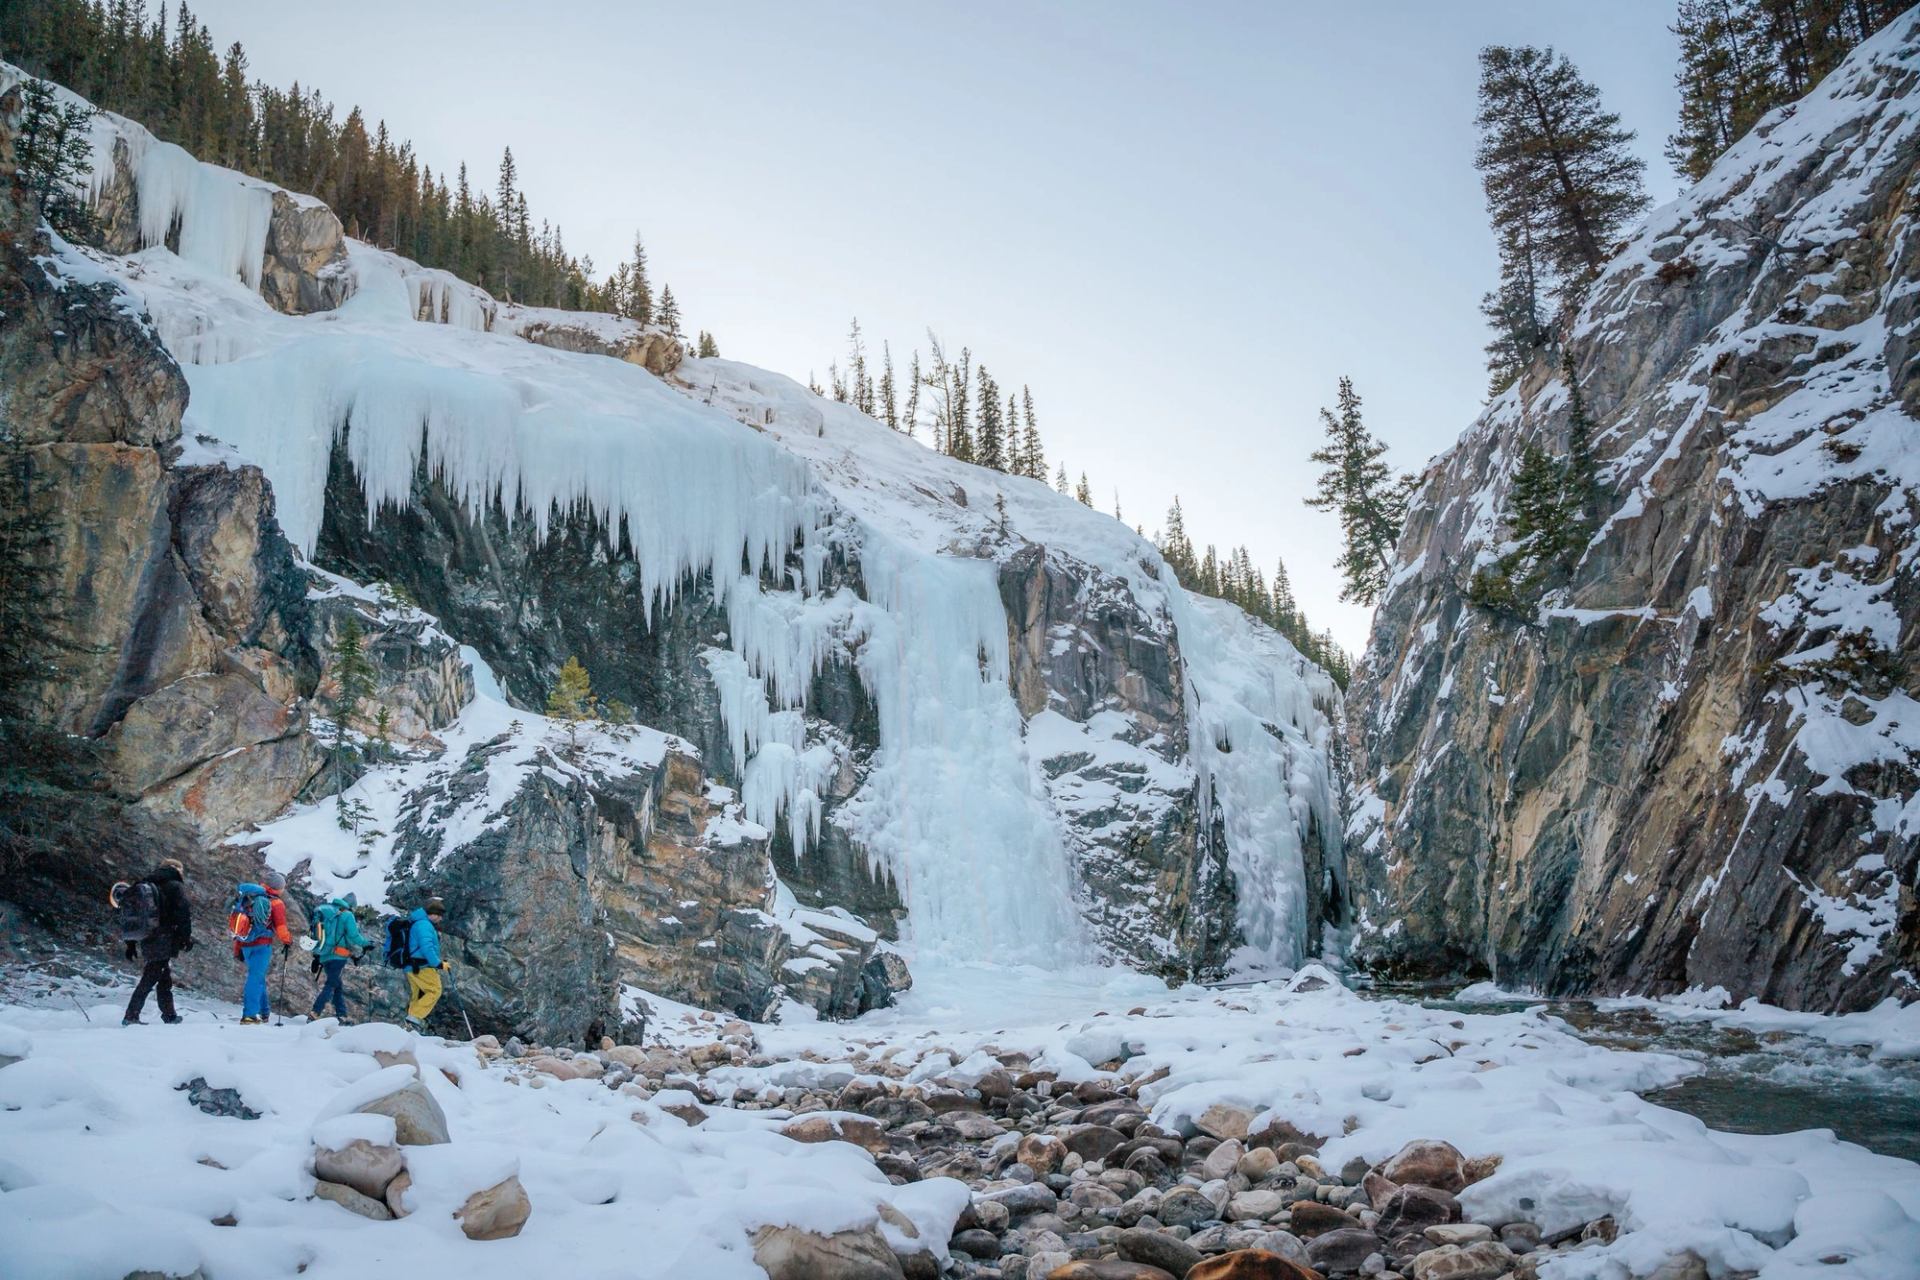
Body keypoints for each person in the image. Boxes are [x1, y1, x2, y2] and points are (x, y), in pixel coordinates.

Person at [121, 858, 192, 1025]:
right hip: (164, 936)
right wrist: (185, 937)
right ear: (175, 868)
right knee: (151, 975)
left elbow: (130, 915)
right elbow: (183, 913)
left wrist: (130, 944)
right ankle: (131, 1015)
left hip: (147, 935)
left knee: (163, 976)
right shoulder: (175, 886)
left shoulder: (144, 884)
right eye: (181, 869)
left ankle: (169, 1015)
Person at [231, 870, 292, 1025]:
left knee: (258, 976)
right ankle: (249, 1015)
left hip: (245, 943)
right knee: (255, 978)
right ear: (277, 887)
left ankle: (264, 1012)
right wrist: (287, 941)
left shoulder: (249, 896)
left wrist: (238, 946)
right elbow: (281, 927)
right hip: (261, 944)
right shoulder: (276, 902)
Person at [308, 894, 371, 1022]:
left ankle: (341, 1015)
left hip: (324, 955)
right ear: (350, 906)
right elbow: (353, 936)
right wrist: (366, 944)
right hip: (338, 956)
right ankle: (315, 1012)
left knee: (337, 984)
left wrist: (317, 956)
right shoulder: (347, 915)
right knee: (331, 984)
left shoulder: (328, 912)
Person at [404, 897, 449, 1031]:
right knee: (434, 990)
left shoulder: (417, 922)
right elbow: (427, 947)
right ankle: (414, 1018)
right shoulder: (424, 925)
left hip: (411, 965)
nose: (440, 919)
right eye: (439, 916)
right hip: (422, 966)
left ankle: (409, 1027)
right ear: (433, 914)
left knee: (417, 994)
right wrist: (438, 964)